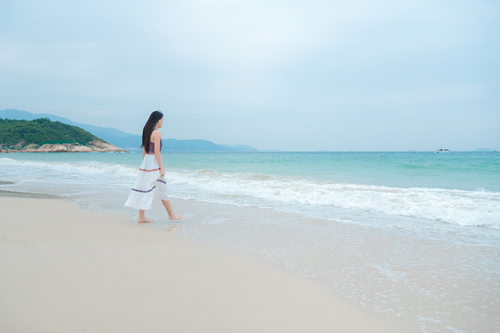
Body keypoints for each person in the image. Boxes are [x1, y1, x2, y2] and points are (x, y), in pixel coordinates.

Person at [125, 111, 182, 222]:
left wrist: (146, 165)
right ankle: (171, 215)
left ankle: (141, 217)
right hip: (153, 164)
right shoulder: (156, 133)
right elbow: (157, 152)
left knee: (144, 188)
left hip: (146, 163)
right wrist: (161, 167)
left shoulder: (147, 131)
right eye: (162, 119)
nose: (163, 122)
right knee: (162, 189)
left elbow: (144, 151)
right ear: (158, 120)